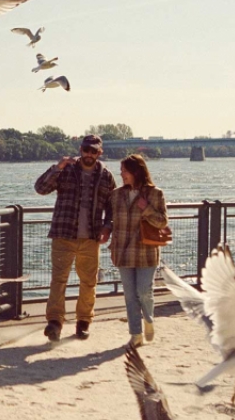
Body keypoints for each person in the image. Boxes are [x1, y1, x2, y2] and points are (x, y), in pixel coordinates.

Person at [34, 135, 116, 341]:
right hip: (63, 235)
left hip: (91, 237)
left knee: (89, 282)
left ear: (100, 153)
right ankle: (54, 322)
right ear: (80, 149)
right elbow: (41, 189)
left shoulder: (106, 176)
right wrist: (57, 167)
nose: (89, 154)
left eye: (94, 151)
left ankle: (83, 322)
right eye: (86, 150)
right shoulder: (66, 170)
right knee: (58, 280)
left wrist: (108, 226)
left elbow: (112, 207)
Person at [107, 154, 169, 347]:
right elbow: (111, 220)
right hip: (123, 251)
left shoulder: (154, 193)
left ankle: (149, 319)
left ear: (136, 171)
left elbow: (163, 222)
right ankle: (136, 335)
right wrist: (107, 234)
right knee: (129, 295)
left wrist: (147, 208)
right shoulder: (116, 194)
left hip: (146, 251)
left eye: (125, 170)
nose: (121, 174)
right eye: (121, 170)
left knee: (144, 291)